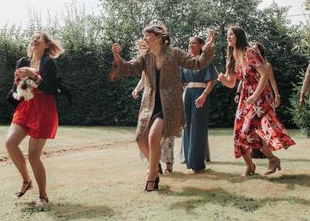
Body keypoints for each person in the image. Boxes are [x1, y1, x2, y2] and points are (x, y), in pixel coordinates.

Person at [110, 24, 215, 191]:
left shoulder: (174, 53)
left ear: (158, 37)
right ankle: (154, 166)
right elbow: (130, 67)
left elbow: (197, 63)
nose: (144, 38)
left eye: (147, 35)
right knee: (140, 138)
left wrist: (207, 50)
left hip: (169, 104)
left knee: (153, 137)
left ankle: (152, 178)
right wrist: (117, 57)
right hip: (149, 103)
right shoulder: (146, 56)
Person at [217, 26, 295, 177]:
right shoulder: (234, 55)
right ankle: (250, 165)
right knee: (238, 132)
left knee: (247, 131)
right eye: (228, 35)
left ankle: (272, 159)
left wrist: (255, 95)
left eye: (231, 34)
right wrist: (222, 80)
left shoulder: (250, 51)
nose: (228, 37)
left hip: (260, 95)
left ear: (239, 36)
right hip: (246, 96)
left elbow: (264, 74)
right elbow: (232, 83)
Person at [5, 32, 64, 208]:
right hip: (25, 107)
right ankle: (26, 180)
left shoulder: (48, 63)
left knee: (33, 155)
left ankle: (43, 196)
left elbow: (49, 88)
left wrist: (33, 74)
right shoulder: (22, 62)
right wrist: (18, 85)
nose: (34, 39)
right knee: (10, 143)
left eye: (39, 37)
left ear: (46, 44)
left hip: (44, 109)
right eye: (33, 37)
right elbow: (16, 86)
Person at [180, 36, 217, 173]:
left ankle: (198, 163)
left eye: (193, 43)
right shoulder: (185, 62)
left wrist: (204, 95)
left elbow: (212, 80)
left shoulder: (206, 61)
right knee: (187, 127)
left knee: (198, 128)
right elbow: (181, 80)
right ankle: (190, 161)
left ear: (201, 45)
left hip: (201, 95)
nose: (190, 45)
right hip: (188, 95)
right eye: (189, 43)